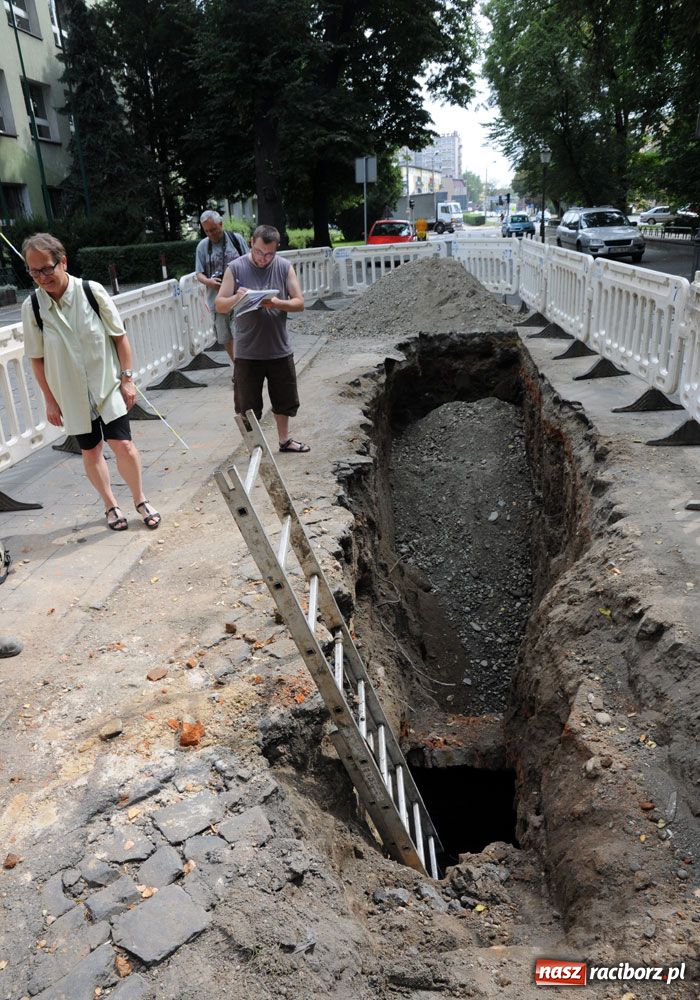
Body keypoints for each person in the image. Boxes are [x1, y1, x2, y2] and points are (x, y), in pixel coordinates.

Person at [21, 233, 161, 532]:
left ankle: (140, 499)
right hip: (70, 394)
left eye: (47, 268)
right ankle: (110, 504)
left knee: (123, 444)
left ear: (63, 261)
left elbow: (119, 338)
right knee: (91, 450)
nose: (42, 277)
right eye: (34, 272)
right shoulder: (32, 307)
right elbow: (36, 358)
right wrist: (49, 399)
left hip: (108, 386)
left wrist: (127, 379)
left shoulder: (90, 292)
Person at [215, 224, 309, 453]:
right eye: (258, 252)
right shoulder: (235, 268)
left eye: (269, 254)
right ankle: (255, 447)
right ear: (251, 243)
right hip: (247, 351)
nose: (264, 258)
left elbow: (299, 303)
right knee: (246, 404)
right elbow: (219, 304)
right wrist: (237, 299)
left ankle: (284, 440)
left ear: (276, 249)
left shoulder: (284, 267)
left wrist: (277, 303)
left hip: (279, 348)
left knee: (284, 399)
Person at [195, 210, 247, 362]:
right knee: (225, 336)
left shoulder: (236, 239)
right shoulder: (202, 247)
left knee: (240, 333)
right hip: (217, 300)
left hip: (239, 296)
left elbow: (249, 262)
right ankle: (237, 366)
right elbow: (199, 273)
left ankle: (243, 367)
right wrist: (209, 282)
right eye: (207, 231)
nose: (211, 234)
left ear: (221, 224)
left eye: (213, 229)